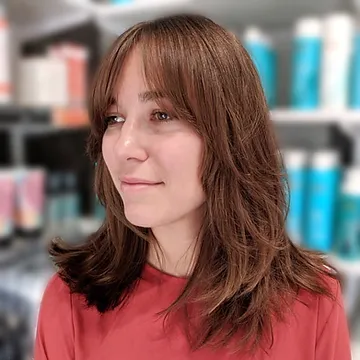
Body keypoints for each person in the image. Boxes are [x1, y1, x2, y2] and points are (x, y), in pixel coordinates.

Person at [34, 14, 351, 360]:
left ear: (229, 134)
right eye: (114, 119)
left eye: (161, 115)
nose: (123, 147)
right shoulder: (71, 302)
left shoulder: (313, 302)